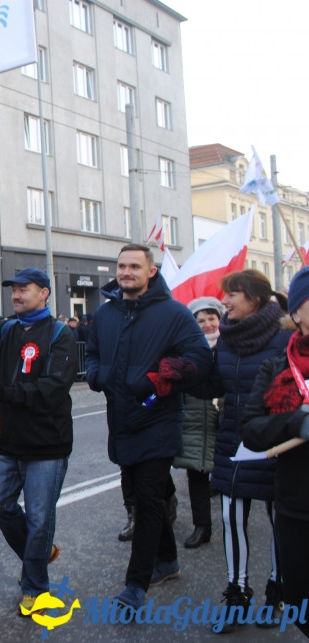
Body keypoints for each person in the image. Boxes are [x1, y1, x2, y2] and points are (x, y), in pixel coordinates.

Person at [85, 244, 211, 610]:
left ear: (151, 271)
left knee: (147, 499)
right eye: (122, 266)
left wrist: (165, 375)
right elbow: (92, 354)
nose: (126, 272)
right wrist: (98, 376)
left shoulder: (173, 313)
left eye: (135, 266)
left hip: (158, 417)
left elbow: (200, 357)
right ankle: (167, 560)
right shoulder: (105, 313)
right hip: (121, 419)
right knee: (148, 493)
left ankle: (135, 585)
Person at [0, 269, 76, 615]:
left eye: (25, 289)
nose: (17, 295)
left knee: (39, 518)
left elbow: (52, 389)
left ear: (45, 293)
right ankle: (37, 553)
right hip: (7, 440)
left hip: (46, 445)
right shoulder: (7, 329)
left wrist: (6, 394)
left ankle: (35, 586)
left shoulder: (59, 335)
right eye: (14, 290)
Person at [193, 269, 290, 631]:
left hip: (276, 439)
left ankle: (278, 592)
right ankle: (237, 594)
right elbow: (216, 385)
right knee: (231, 517)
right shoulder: (227, 337)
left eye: (232, 295)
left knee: (278, 519)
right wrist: (189, 374)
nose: (225, 302)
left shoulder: (285, 335)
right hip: (234, 438)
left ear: (254, 298)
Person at [240, 265, 309, 638]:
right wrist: (296, 420)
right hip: (298, 506)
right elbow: (251, 430)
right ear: (296, 312)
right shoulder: (276, 368)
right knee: (301, 603)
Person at [176, 297, 224, 549]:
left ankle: (235, 522)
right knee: (196, 473)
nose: (207, 324)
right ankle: (202, 526)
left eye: (211, 318)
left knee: (230, 476)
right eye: (201, 320)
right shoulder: (186, 349)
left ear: (219, 319)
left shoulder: (230, 345)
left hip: (223, 418)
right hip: (194, 418)